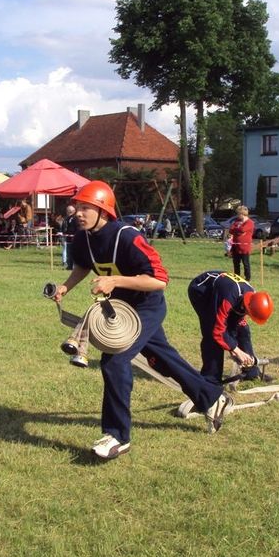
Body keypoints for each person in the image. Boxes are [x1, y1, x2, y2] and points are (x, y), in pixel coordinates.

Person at [52, 181, 232, 460]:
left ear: (103, 210)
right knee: (163, 359)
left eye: (86, 207)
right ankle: (212, 397)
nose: (78, 212)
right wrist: (66, 286)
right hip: (121, 310)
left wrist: (115, 280)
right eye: (78, 207)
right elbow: (83, 266)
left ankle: (118, 436)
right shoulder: (82, 236)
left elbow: (159, 280)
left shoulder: (127, 236)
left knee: (114, 361)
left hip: (147, 307)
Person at [188, 271, 274, 385]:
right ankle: (210, 379)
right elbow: (218, 331)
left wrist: (233, 346)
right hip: (202, 292)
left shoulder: (251, 295)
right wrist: (235, 349)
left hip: (225, 292)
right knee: (212, 334)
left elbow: (236, 323)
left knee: (243, 329)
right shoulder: (228, 298)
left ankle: (251, 373)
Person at [228, 205, 254, 281]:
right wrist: (238, 230)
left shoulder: (250, 222)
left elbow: (243, 229)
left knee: (245, 264)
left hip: (245, 247)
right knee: (236, 263)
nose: (237, 215)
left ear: (242, 214)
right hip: (235, 246)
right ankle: (237, 278)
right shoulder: (237, 222)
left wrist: (237, 230)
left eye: (238, 214)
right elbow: (231, 230)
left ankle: (247, 278)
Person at [60, 204, 78, 270]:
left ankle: (74, 266)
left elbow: (77, 228)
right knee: (68, 253)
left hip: (74, 239)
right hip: (68, 239)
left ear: (72, 211)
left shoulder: (76, 218)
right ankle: (69, 266)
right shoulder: (66, 218)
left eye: (68, 210)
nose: (66, 212)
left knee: (74, 253)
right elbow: (64, 227)